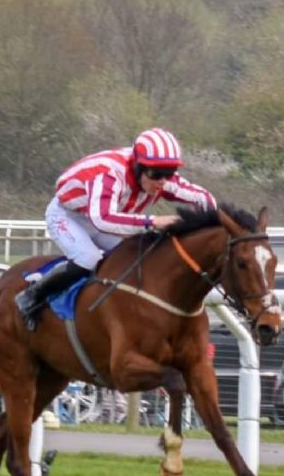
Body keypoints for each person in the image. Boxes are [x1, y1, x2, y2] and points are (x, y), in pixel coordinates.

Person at [15, 127, 217, 330]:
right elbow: (102, 219)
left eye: (169, 173)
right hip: (70, 216)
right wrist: (153, 221)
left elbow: (204, 198)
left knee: (140, 254)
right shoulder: (111, 174)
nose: (162, 182)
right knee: (88, 258)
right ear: (138, 166)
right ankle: (32, 295)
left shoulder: (161, 178)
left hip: (105, 215)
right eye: (156, 174)